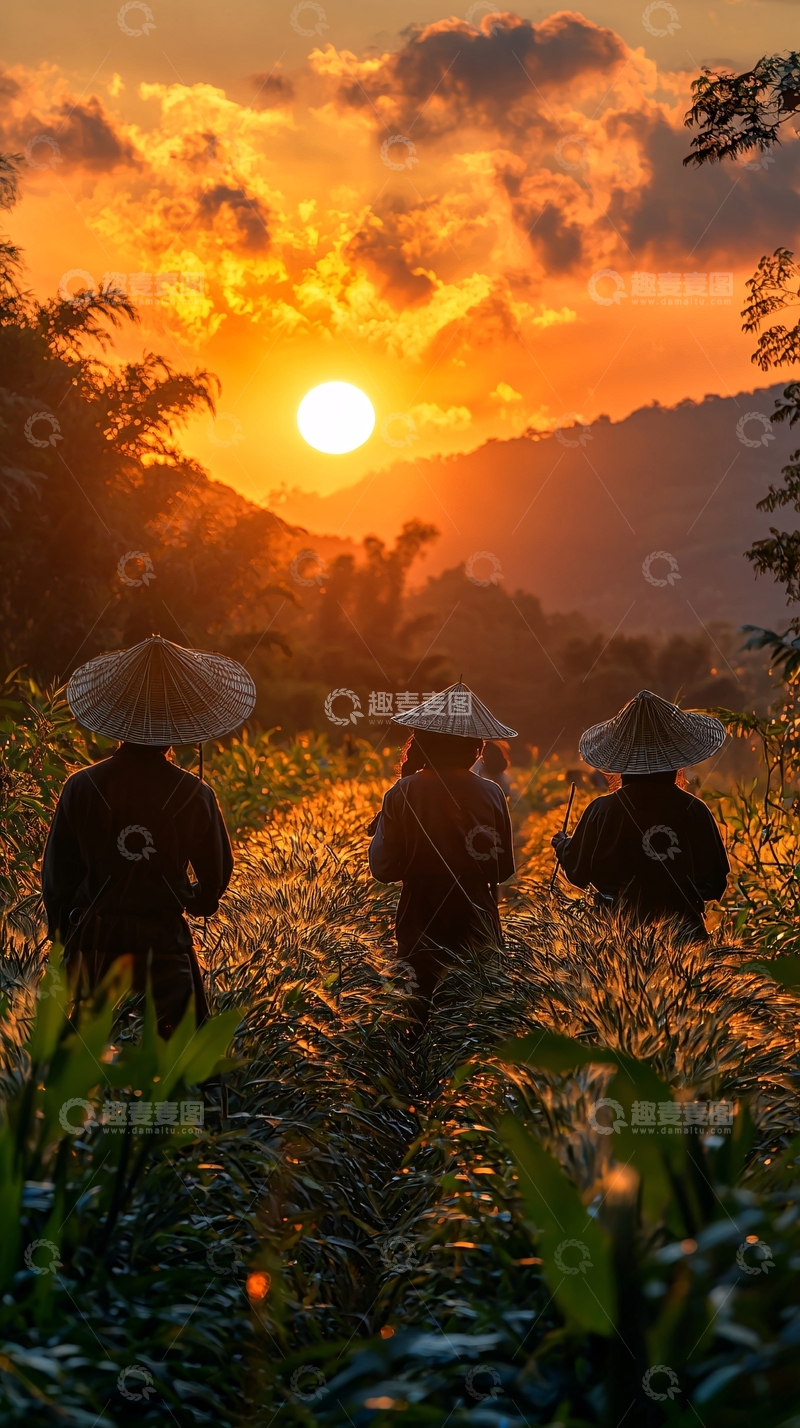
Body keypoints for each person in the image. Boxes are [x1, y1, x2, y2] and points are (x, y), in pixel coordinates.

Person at [42, 635, 255, 1037]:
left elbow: (56, 881)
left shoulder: (81, 787)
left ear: (117, 721)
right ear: (176, 725)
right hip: (164, 945)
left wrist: (64, 939)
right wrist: (194, 900)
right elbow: (216, 875)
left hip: (94, 945)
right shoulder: (194, 793)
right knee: (177, 1060)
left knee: (85, 1064)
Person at [368, 682, 516, 1025]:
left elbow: (384, 868)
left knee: (419, 1008)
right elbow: (502, 868)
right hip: (476, 914)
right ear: (477, 750)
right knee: (473, 1014)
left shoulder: (403, 792)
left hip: (420, 915)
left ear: (424, 746)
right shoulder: (491, 793)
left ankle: (413, 1070)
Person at [551, 689, 729, 940]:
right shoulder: (694, 810)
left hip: (616, 935)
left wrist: (563, 846)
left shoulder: (602, 810)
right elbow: (715, 881)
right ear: (676, 761)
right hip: (683, 935)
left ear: (621, 763)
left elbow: (579, 872)